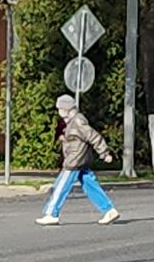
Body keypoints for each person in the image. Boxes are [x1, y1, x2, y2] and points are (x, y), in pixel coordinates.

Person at [37, 95, 120, 226]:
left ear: (66, 108)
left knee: (60, 186)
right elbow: (77, 139)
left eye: (60, 108)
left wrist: (104, 153)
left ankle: (51, 214)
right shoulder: (72, 122)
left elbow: (93, 136)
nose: (58, 112)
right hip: (79, 161)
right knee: (90, 185)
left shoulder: (77, 121)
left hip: (74, 161)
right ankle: (109, 210)